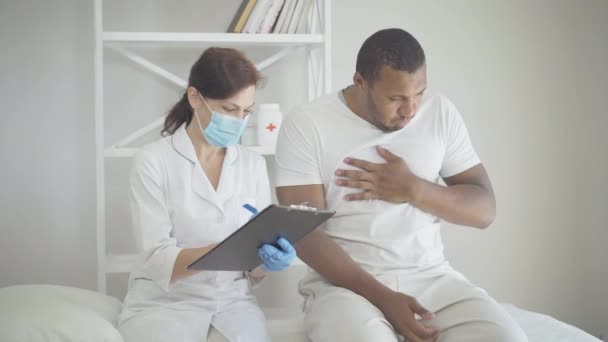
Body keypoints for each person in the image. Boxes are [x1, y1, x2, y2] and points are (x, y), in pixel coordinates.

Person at [274, 28, 528, 342]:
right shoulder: (307, 123)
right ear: (360, 82)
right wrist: (384, 299)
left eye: (418, 93)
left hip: (431, 277)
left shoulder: (440, 112)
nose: (410, 110)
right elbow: (304, 234)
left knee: (508, 338)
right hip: (345, 287)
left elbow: (484, 210)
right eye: (396, 98)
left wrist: (413, 189)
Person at [117, 47, 296, 342]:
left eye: (246, 111)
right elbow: (157, 257)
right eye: (229, 109)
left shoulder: (252, 164)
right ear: (194, 97)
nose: (238, 120)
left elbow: (253, 270)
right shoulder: (152, 162)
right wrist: (227, 249)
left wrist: (267, 260)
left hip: (232, 303)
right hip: (164, 304)